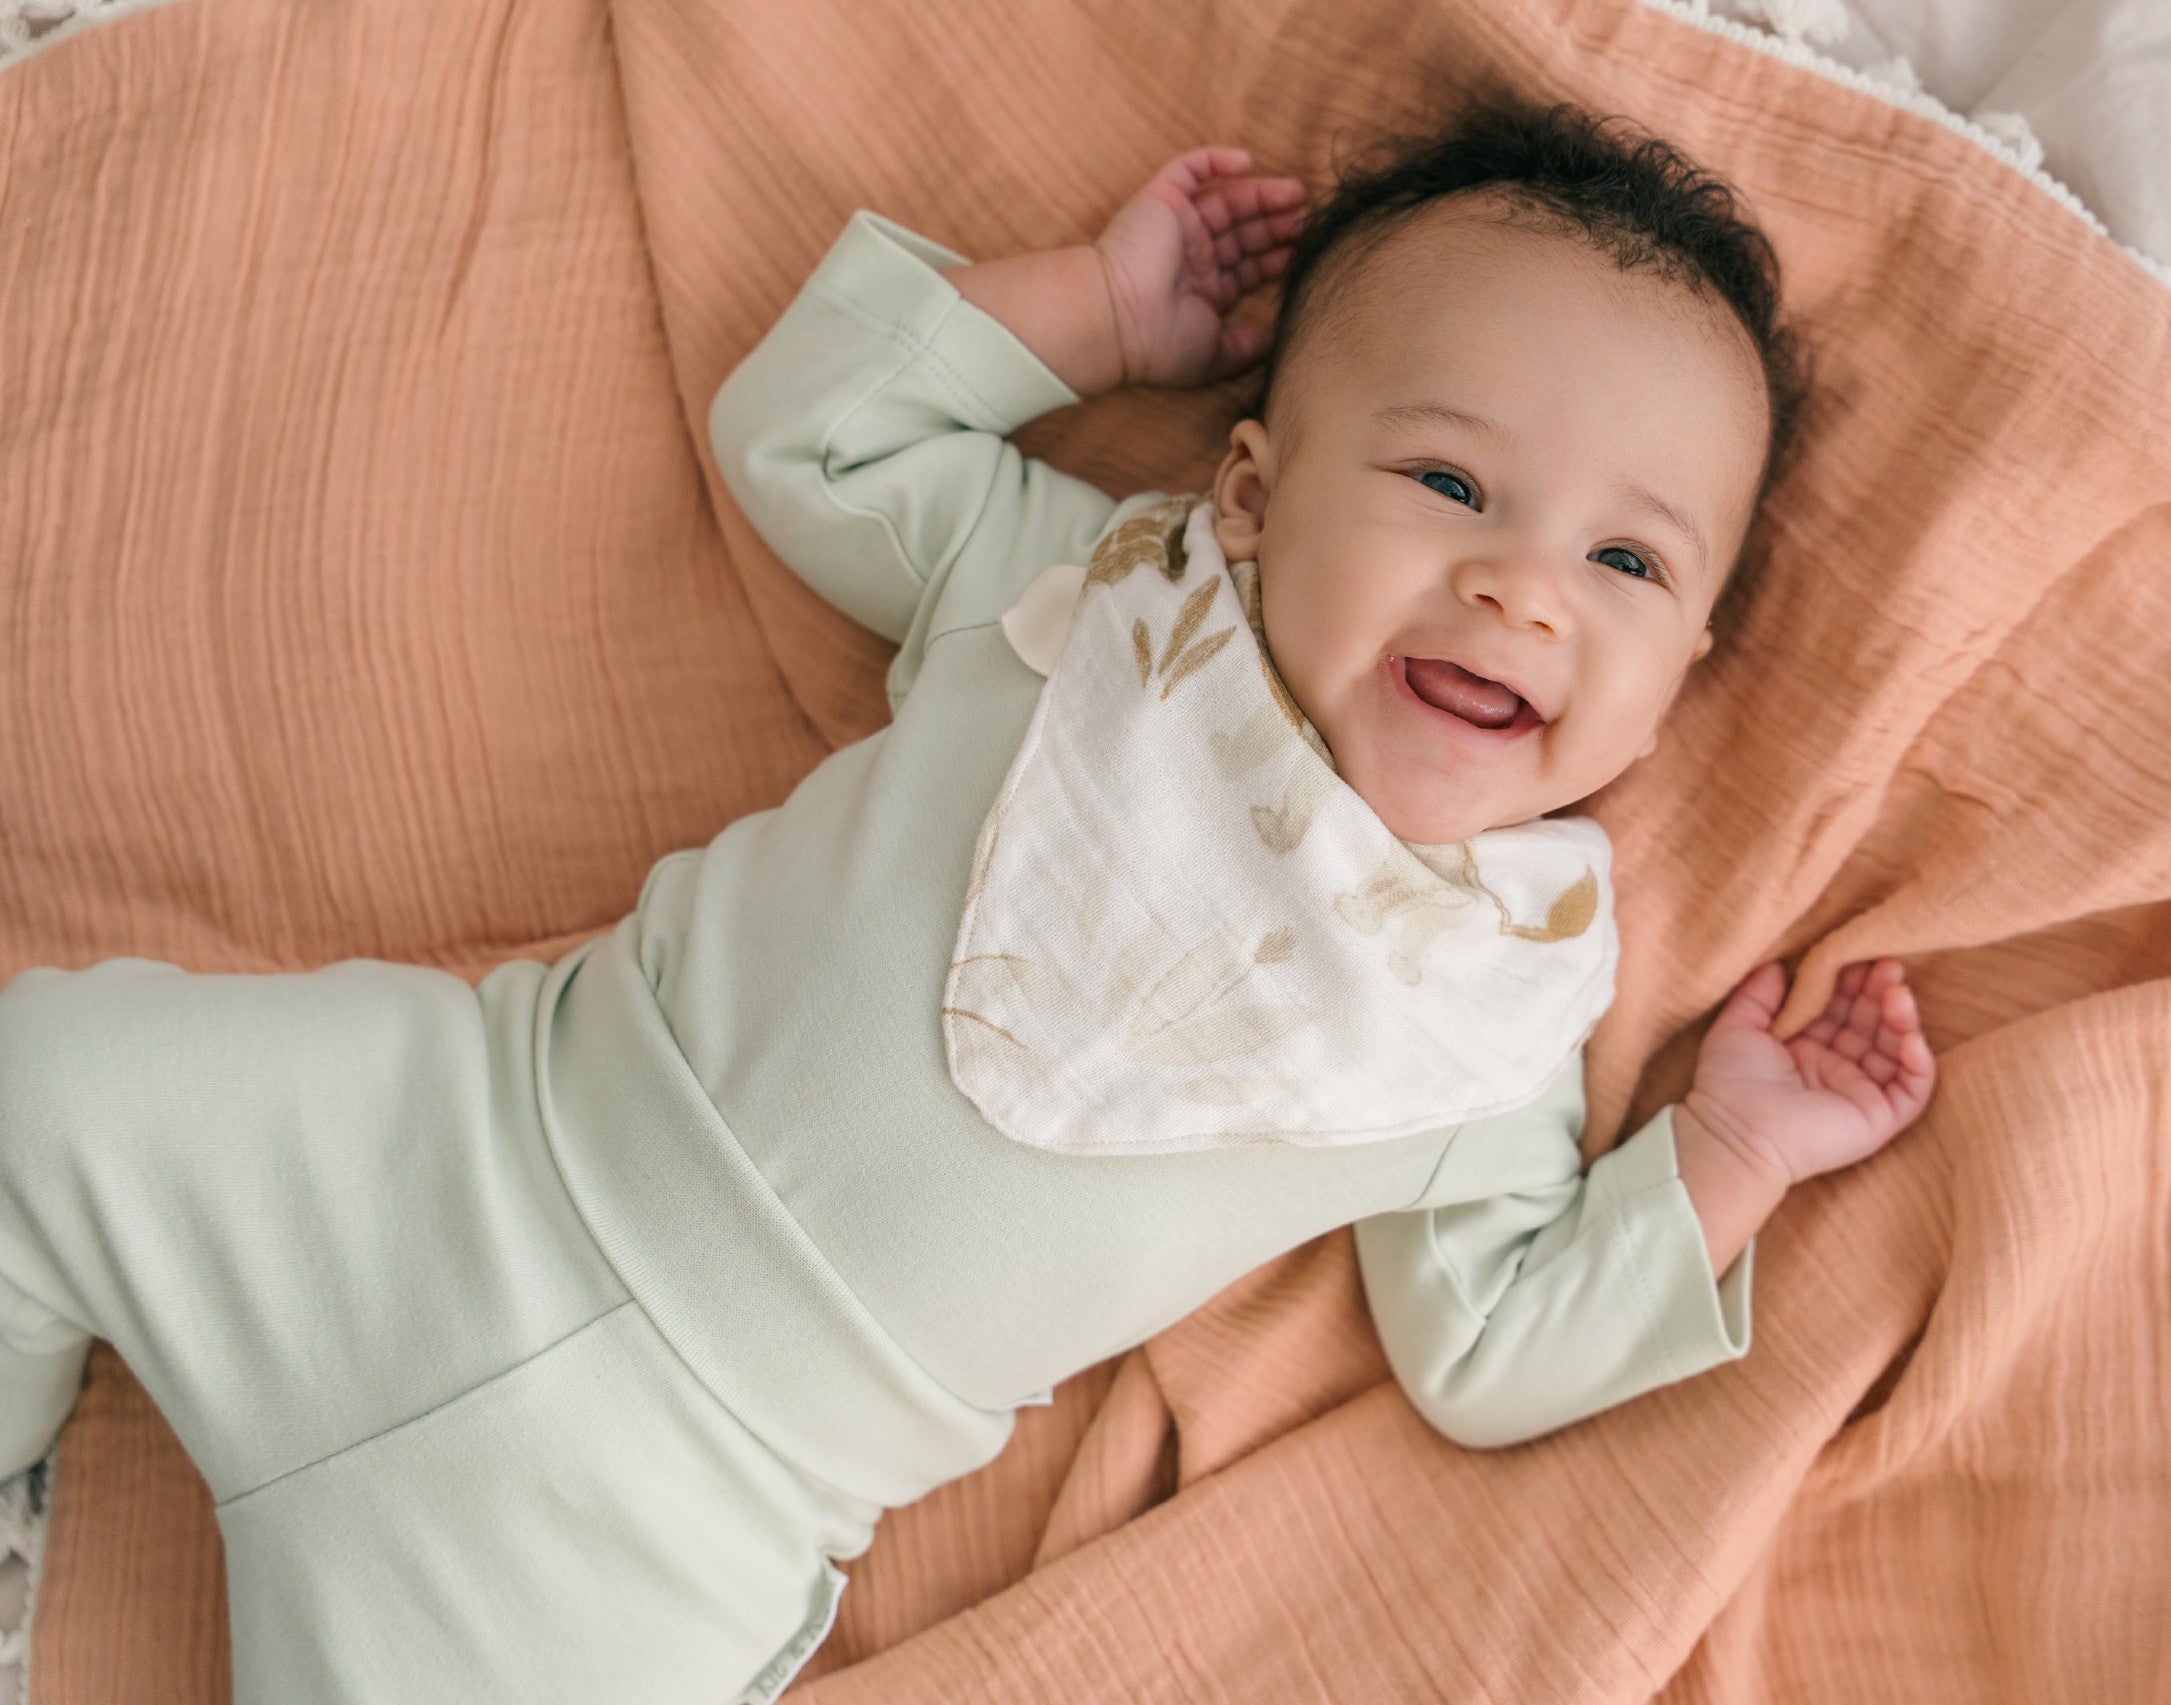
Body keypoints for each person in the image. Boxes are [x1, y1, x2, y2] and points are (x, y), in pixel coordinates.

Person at [0, 95, 1936, 1704]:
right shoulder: (1086, 591)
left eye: (1624, 556)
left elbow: (1498, 1352)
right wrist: (1093, 311)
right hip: (444, 1135)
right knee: (37, 1089)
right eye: (1446, 482)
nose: (1523, 586)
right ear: (1250, 493)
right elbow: (810, 436)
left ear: (1688, 662)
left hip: (665, 1505)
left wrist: (1733, 1151)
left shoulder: (1477, 1023)